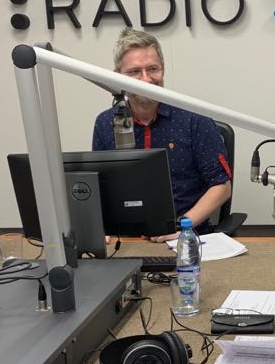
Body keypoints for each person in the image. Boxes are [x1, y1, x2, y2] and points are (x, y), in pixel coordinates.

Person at [92, 28, 232, 242]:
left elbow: (221, 187)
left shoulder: (195, 120)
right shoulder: (105, 123)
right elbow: (98, 188)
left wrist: (180, 226)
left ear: (163, 69)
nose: (146, 79)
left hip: (183, 237)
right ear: (118, 76)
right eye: (134, 72)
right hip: (125, 241)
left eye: (153, 69)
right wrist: (100, 228)